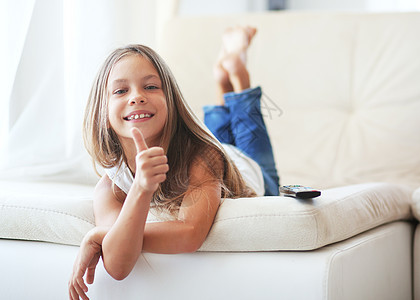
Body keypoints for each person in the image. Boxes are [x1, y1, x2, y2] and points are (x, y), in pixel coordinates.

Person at [68, 26, 279, 300]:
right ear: (102, 111)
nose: (136, 96)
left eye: (151, 86)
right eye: (120, 91)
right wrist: (140, 190)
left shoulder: (203, 155)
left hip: (247, 168)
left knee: (247, 123)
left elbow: (190, 233)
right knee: (217, 128)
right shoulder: (110, 187)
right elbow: (119, 266)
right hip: (216, 148)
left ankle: (237, 69)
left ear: (171, 99)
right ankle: (222, 76)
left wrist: (105, 236)